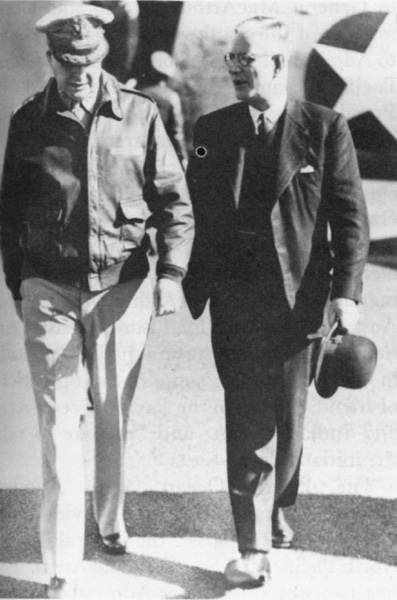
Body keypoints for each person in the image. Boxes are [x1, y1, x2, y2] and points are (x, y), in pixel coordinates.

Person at [0, 5, 193, 598]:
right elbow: (10, 217)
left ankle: (109, 519)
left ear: (103, 55)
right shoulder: (29, 121)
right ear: (49, 58)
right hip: (50, 290)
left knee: (111, 416)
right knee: (58, 427)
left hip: (123, 289)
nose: (79, 72)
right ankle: (62, 565)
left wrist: (171, 275)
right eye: (67, 61)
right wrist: (22, 286)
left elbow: (174, 205)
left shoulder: (141, 114)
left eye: (89, 60)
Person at [184, 16, 369, 589]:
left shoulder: (324, 127)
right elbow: (191, 214)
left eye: (247, 60)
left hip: (300, 305)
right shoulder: (210, 128)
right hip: (235, 303)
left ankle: (278, 503)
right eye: (232, 60)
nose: (235, 69)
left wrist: (346, 294)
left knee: (288, 426)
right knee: (246, 420)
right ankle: (252, 546)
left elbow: (350, 219)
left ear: (277, 65)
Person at [136, 51, 189, 169]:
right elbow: (176, 134)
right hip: (160, 156)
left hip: (137, 153)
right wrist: (183, 158)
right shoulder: (171, 97)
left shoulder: (138, 94)